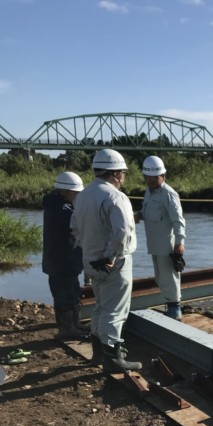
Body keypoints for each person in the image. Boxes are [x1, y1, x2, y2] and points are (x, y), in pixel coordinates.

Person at [70, 149, 142, 373]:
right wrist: (110, 256)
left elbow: (74, 227)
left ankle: (98, 353)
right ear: (116, 173)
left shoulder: (83, 195)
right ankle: (113, 358)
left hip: (90, 260)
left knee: (100, 306)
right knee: (115, 310)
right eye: (123, 173)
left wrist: (90, 253)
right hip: (113, 262)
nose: (123, 178)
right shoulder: (115, 196)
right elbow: (122, 233)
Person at [135, 155, 186, 320]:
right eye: (147, 177)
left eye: (153, 177)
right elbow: (149, 212)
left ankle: (175, 308)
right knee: (160, 276)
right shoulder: (148, 194)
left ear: (161, 176)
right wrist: (139, 215)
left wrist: (179, 242)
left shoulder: (169, 194)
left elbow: (178, 220)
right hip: (154, 243)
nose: (150, 180)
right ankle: (169, 303)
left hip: (166, 244)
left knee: (169, 276)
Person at [42, 172, 89, 340]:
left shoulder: (57, 206)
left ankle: (74, 324)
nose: (78, 196)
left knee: (73, 293)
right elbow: (80, 224)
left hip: (62, 262)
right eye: (76, 193)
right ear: (65, 191)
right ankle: (67, 329)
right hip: (62, 262)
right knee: (64, 296)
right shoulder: (62, 209)